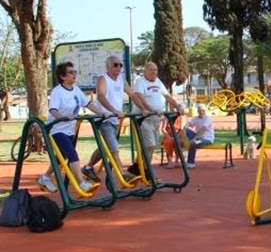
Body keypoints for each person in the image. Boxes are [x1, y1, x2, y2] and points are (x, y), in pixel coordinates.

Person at [37, 62, 106, 193]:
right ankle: (81, 182)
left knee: (62, 157)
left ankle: (45, 177)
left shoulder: (75, 89)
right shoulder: (57, 91)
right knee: (72, 154)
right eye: (71, 72)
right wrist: (62, 116)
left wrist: (100, 113)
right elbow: (53, 109)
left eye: (75, 72)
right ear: (63, 76)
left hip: (70, 129)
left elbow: (88, 103)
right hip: (57, 129)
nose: (74, 75)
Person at [81, 55, 149, 183]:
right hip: (105, 119)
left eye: (120, 65)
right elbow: (101, 96)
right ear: (108, 66)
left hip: (115, 119)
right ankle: (123, 174)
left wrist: (143, 108)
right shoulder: (103, 78)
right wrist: (114, 111)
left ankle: (88, 167)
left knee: (106, 147)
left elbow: (133, 95)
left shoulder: (121, 80)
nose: (118, 67)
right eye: (115, 65)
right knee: (114, 148)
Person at [128, 61, 183, 175]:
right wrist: (152, 110)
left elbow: (167, 95)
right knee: (150, 145)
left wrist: (177, 106)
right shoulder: (140, 81)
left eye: (155, 70)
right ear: (145, 71)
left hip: (155, 119)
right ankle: (147, 171)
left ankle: (137, 167)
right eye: (151, 69)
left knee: (150, 146)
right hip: (144, 119)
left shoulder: (158, 81)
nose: (153, 72)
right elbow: (140, 97)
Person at [184, 104, 215, 168]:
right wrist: (185, 126)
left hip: (206, 139)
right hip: (198, 137)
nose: (201, 112)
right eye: (200, 110)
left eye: (203, 110)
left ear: (205, 111)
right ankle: (184, 142)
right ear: (197, 111)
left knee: (193, 143)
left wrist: (194, 138)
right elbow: (189, 124)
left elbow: (202, 130)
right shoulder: (195, 118)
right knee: (186, 130)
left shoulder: (208, 119)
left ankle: (190, 163)